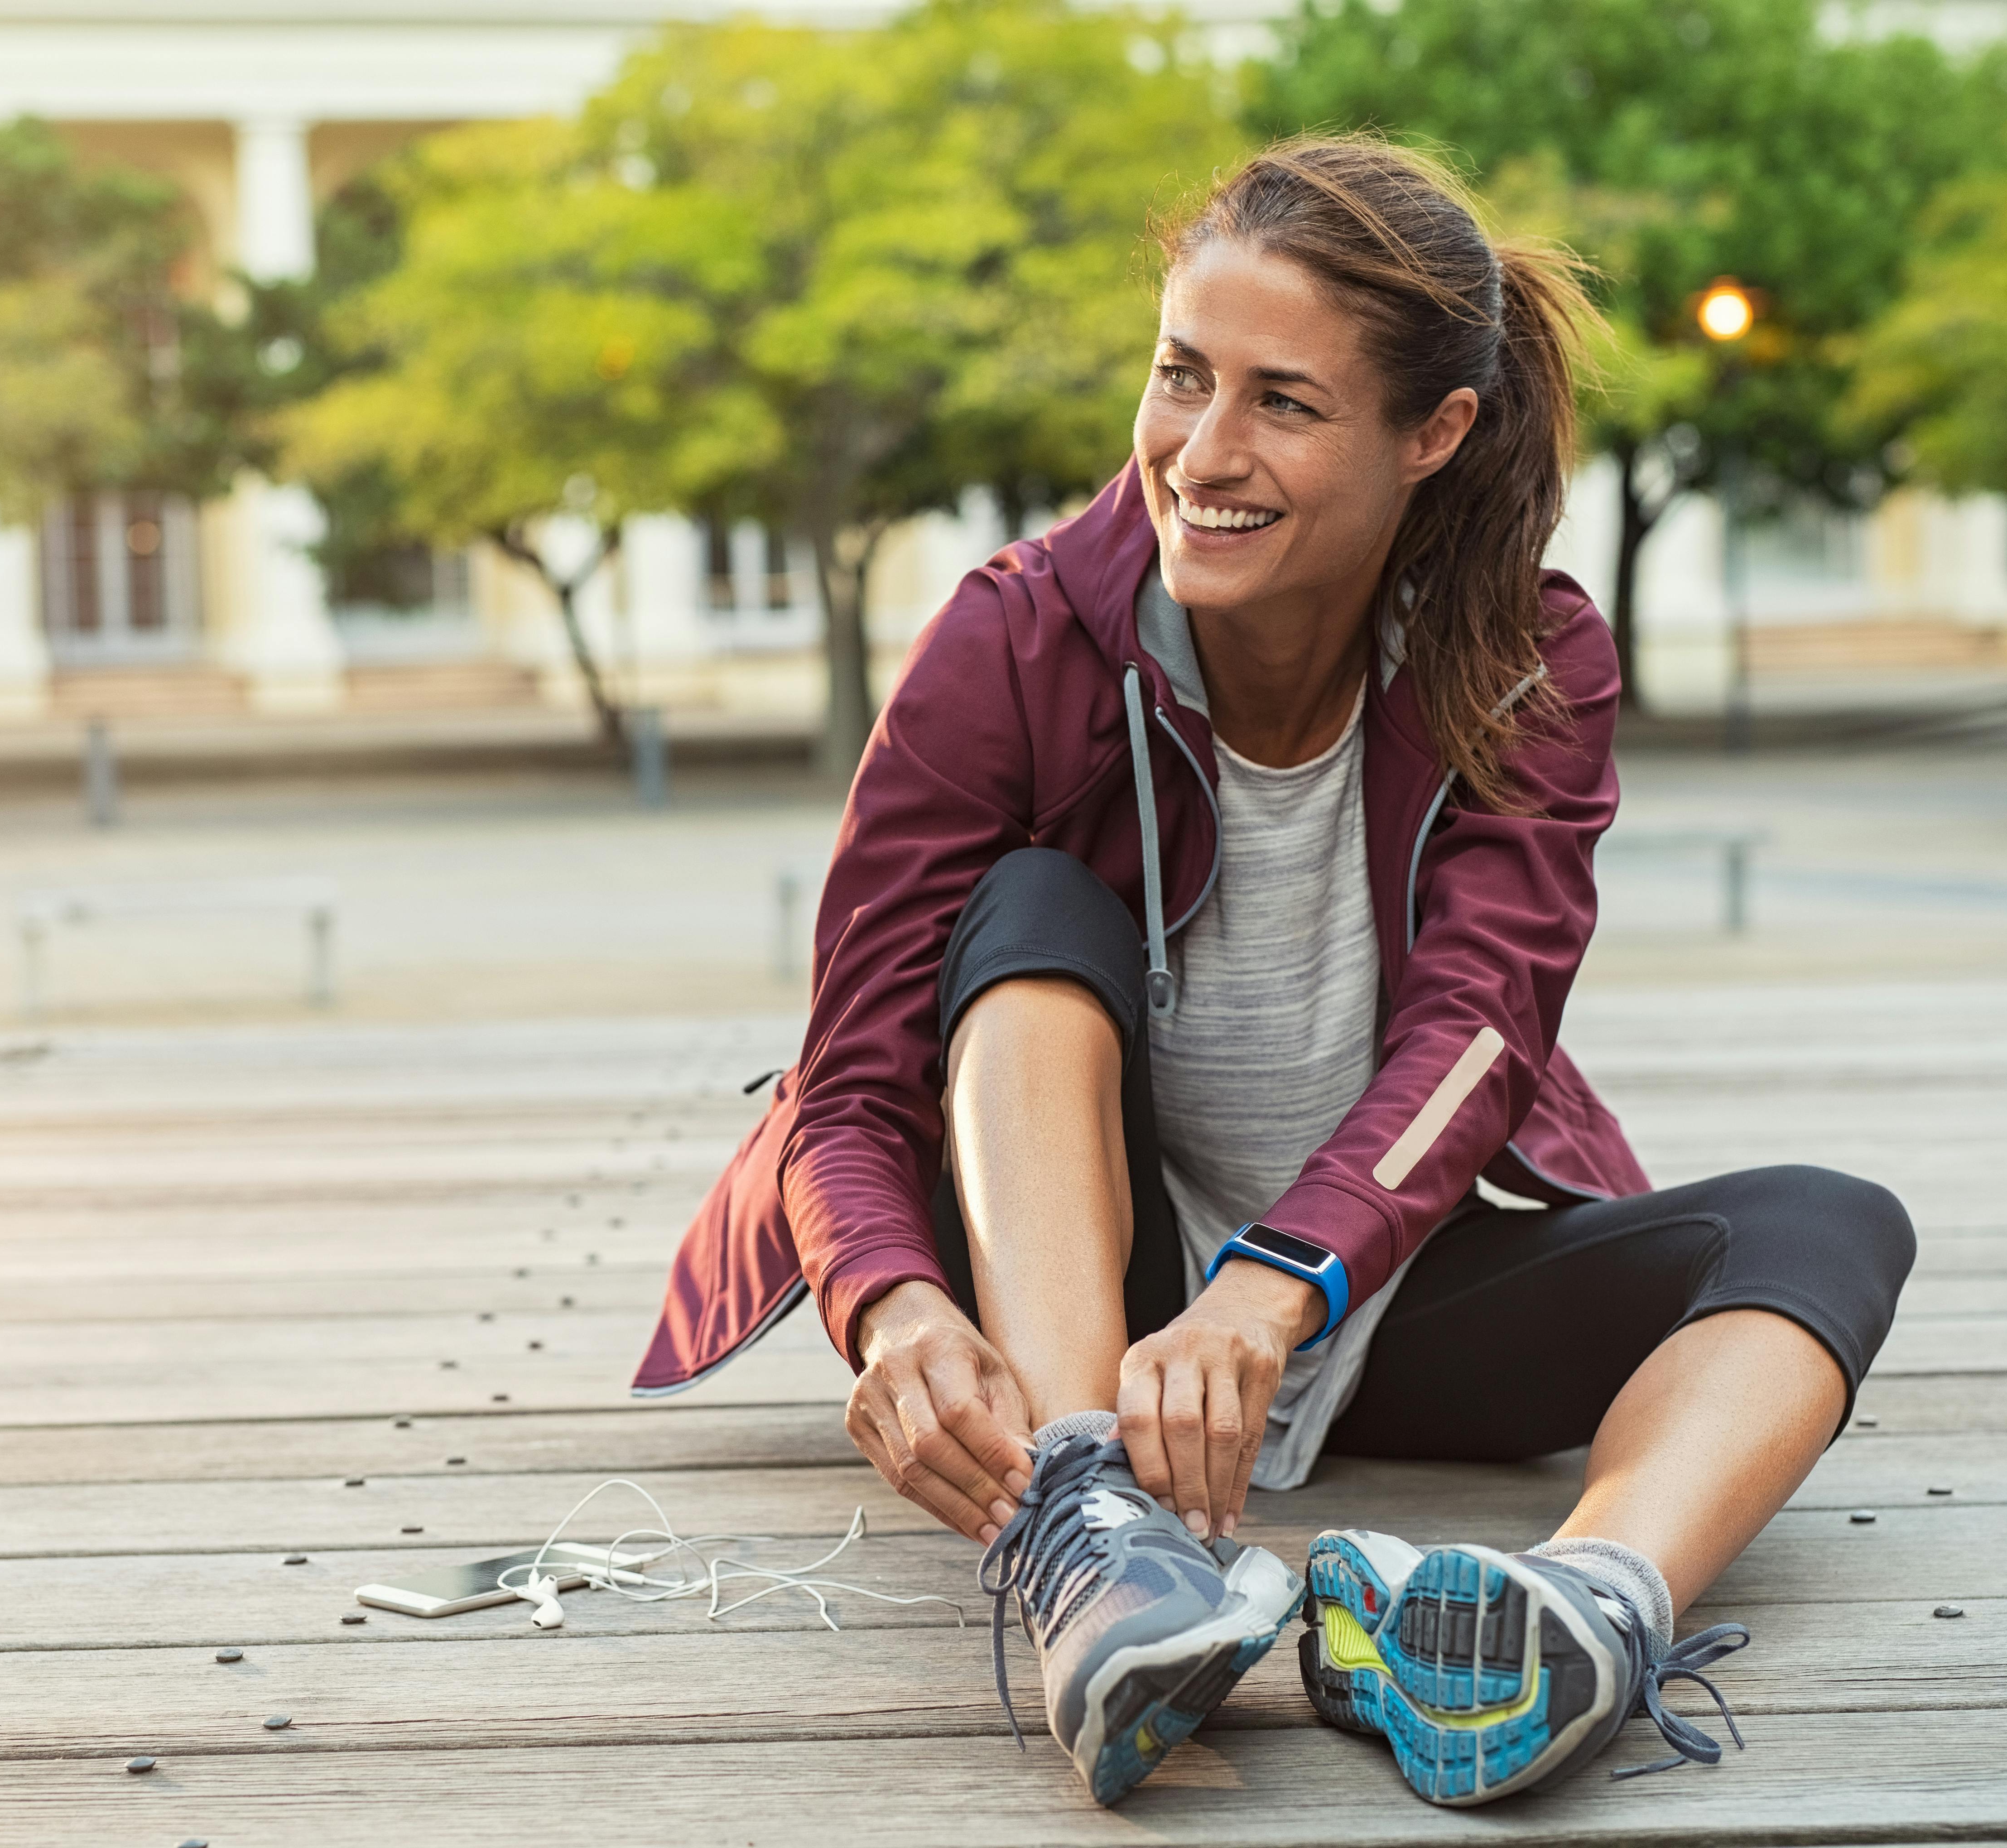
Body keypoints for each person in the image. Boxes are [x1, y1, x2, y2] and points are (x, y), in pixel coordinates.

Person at [636, 136, 1914, 1811]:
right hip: (1083, 1301)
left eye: (1284, 404)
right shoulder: (1013, 641)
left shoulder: (1528, 657)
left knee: (1829, 1225)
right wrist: (893, 1304)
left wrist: (1278, 1283)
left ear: (1432, 435)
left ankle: (1589, 1611)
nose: (1202, 453)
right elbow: (854, 1078)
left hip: (1359, 1288)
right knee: (1027, 911)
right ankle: (1091, 1537)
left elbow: (1482, 1033)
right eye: (1181, 378)